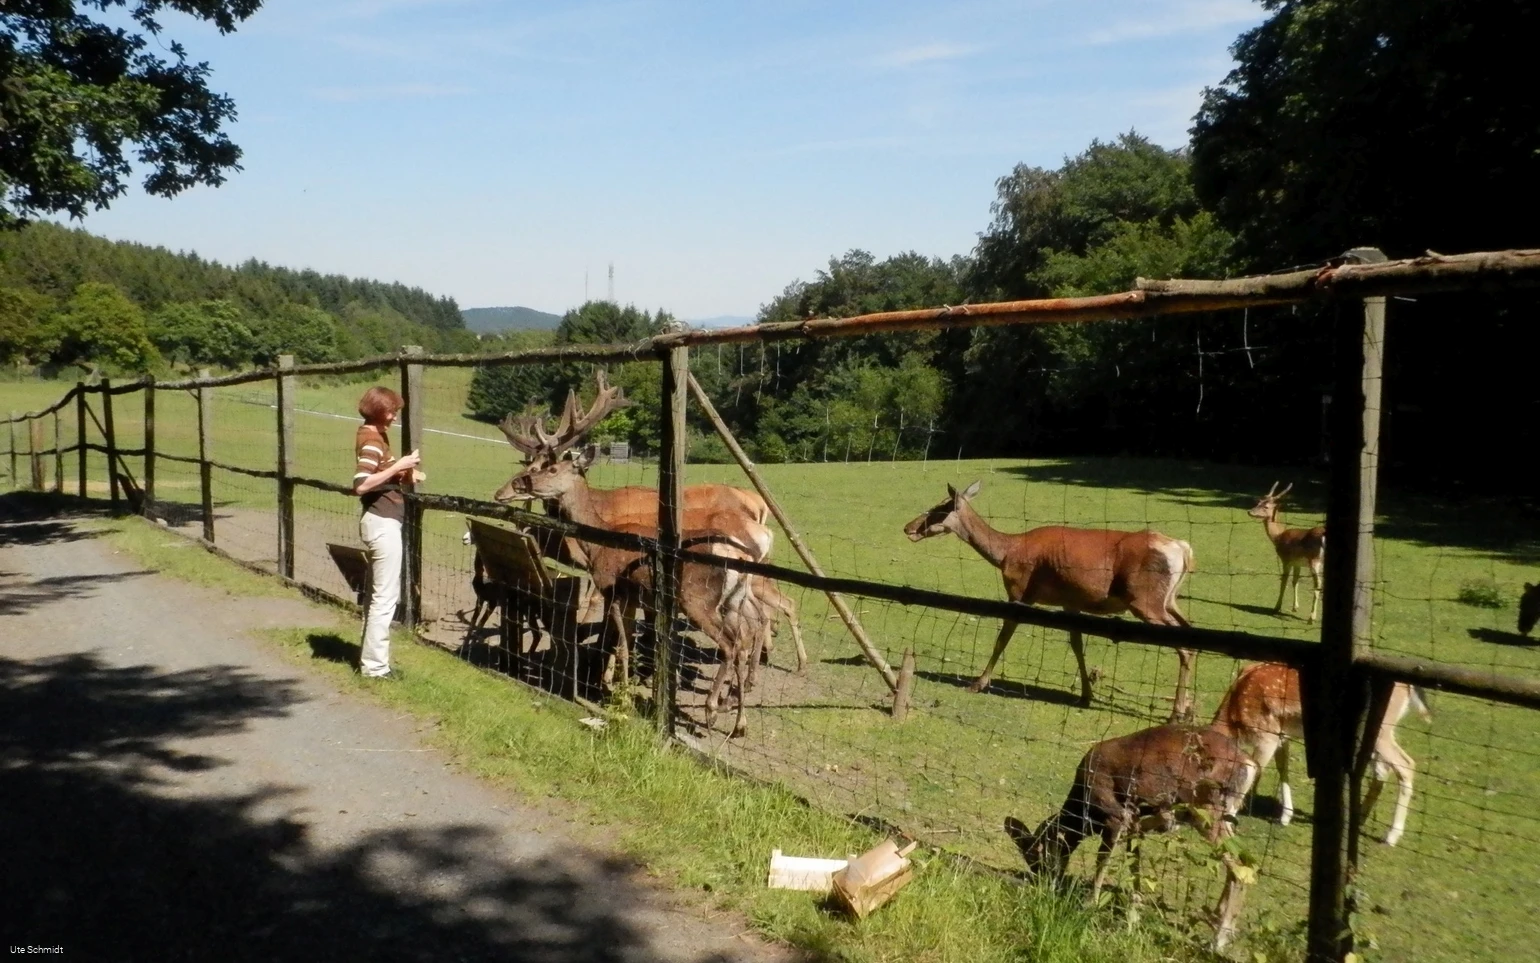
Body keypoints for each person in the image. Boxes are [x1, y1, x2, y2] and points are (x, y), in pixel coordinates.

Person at [352, 386, 421, 679]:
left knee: (375, 598)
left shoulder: (373, 434)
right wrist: (403, 464)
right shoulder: (372, 440)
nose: (394, 417)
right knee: (384, 599)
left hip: (377, 521)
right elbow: (361, 483)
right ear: (378, 411)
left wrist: (403, 472)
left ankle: (371, 661)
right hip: (383, 523)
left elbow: (379, 472)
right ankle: (376, 668)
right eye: (391, 411)